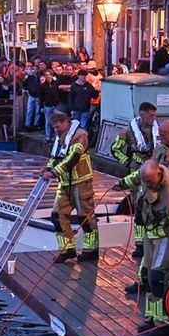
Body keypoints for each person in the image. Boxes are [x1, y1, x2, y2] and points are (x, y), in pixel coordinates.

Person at [116, 160, 169, 336]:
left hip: (167, 236)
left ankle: (165, 322)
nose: (147, 185)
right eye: (145, 182)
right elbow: (136, 177)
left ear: (159, 174)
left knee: (158, 277)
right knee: (147, 276)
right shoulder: (147, 176)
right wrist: (121, 184)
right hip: (151, 234)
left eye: (149, 182)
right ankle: (152, 317)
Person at [42, 110, 99, 263]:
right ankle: (68, 249)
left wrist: (53, 173)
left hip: (81, 182)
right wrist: (48, 169)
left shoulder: (80, 135)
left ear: (66, 122)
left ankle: (91, 250)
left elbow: (73, 158)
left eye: (58, 126)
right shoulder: (61, 136)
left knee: (85, 218)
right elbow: (55, 156)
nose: (56, 130)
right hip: (65, 183)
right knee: (57, 216)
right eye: (54, 127)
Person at [112, 102, 160, 175]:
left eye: (155, 116)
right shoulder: (128, 131)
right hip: (137, 170)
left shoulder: (158, 130)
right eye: (151, 116)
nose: (154, 118)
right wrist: (127, 162)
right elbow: (115, 149)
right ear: (142, 115)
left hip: (154, 169)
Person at [40, 70, 62, 140]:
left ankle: (57, 137)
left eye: (49, 75)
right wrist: (41, 107)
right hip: (47, 105)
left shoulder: (56, 84)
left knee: (57, 122)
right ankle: (48, 136)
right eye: (46, 75)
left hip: (56, 105)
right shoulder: (42, 85)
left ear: (52, 76)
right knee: (48, 122)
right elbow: (41, 97)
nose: (48, 76)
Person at [23, 66, 43, 131]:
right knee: (29, 110)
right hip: (31, 95)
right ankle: (27, 125)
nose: (35, 70)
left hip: (38, 96)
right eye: (33, 69)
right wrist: (28, 89)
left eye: (36, 69)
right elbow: (24, 84)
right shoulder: (30, 77)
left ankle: (36, 125)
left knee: (37, 111)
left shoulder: (41, 77)